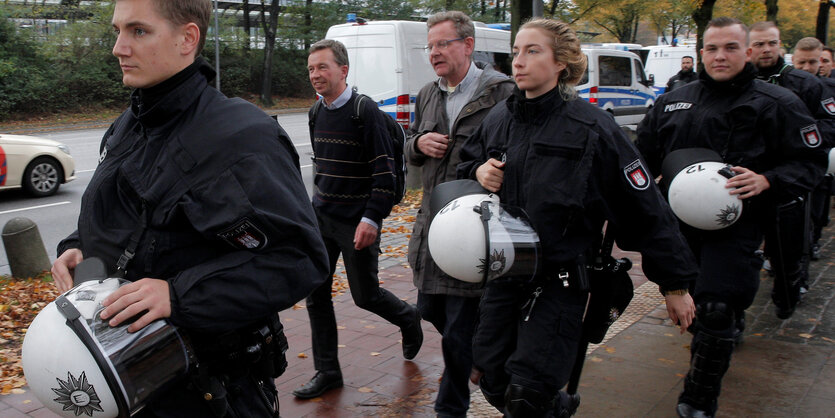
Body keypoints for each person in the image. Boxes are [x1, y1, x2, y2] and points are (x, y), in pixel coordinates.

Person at [50, 0, 330, 416]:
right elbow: (125, 213)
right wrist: (78, 247)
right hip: (131, 378)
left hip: (213, 391)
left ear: (188, 39)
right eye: (117, 31)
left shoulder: (241, 137)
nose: (118, 47)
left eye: (138, 31)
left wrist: (178, 295)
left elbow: (299, 259)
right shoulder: (132, 121)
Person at [457, 18, 698, 417]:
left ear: (562, 63)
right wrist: (478, 172)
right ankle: (557, 406)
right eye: (516, 51)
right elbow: (465, 169)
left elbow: (645, 209)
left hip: (561, 281)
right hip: (505, 276)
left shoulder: (592, 129)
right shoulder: (499, 118)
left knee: (527, 395)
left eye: (532, 51)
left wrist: (674, 285)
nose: (518, 61)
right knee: (491, 378)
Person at [636, 17, 827, 418]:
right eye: (712, 48)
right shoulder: (673, 100)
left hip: (737, 226)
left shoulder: (778, 104)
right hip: (678, 227)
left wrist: (768, 180)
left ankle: (698, 401)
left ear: (749, 51)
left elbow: (809, 162)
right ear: (701, 51)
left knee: (717, 308)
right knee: (687, 302)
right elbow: (641, 156)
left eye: (731, 48)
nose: (720, 56)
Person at [293, 39, 424, 400]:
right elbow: (323, 168)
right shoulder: (316, 112)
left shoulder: (365, 113)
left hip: (357, 222)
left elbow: (384, 176)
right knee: (316, 296)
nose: (315, 75)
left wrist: (371, 218)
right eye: (311, 69)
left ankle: (408, 318)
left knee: (365, 296)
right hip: (323, 217)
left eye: (322, 67)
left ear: (343, 70)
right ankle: (328, 372)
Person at [405, 11, 514, 418]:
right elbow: (409, 144)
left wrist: (492, 169)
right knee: (429, 310)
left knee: (457, 327)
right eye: (430, 45)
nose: (434, 52)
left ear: (467, 45)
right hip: (433, 224)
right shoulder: (427, 94)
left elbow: (517, 151)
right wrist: (418, 144)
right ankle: (482, 362)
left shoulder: (500, 93)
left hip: (473, 229)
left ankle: (451, 406)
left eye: (443, 44)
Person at [749, 21, 834, 311]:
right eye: (759, 44)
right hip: (749, 176)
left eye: (771, 42)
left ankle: (790, 287)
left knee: (791, 243)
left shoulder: (805, 83)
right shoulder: (737, 82)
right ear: (749, 47)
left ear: (780, 44)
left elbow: (829, 125)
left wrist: (799, 143)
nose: (766, 49)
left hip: (791, 176)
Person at [791, 37, 835, 262]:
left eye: (813, 62)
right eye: (802, 63)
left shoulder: (827, 88)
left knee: (816, 208)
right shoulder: (785, 84)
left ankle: (813, 241)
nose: (807, 68)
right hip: (790, 160)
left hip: (818, 158)